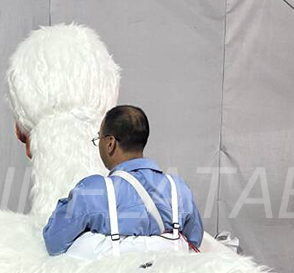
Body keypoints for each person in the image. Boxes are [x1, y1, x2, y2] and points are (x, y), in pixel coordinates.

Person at [43, 105, 203, 258]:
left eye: (99, 137)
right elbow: (194, 241)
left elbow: (54, 240)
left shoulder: (93, 191)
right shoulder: (178, 188)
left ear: (110, 143)